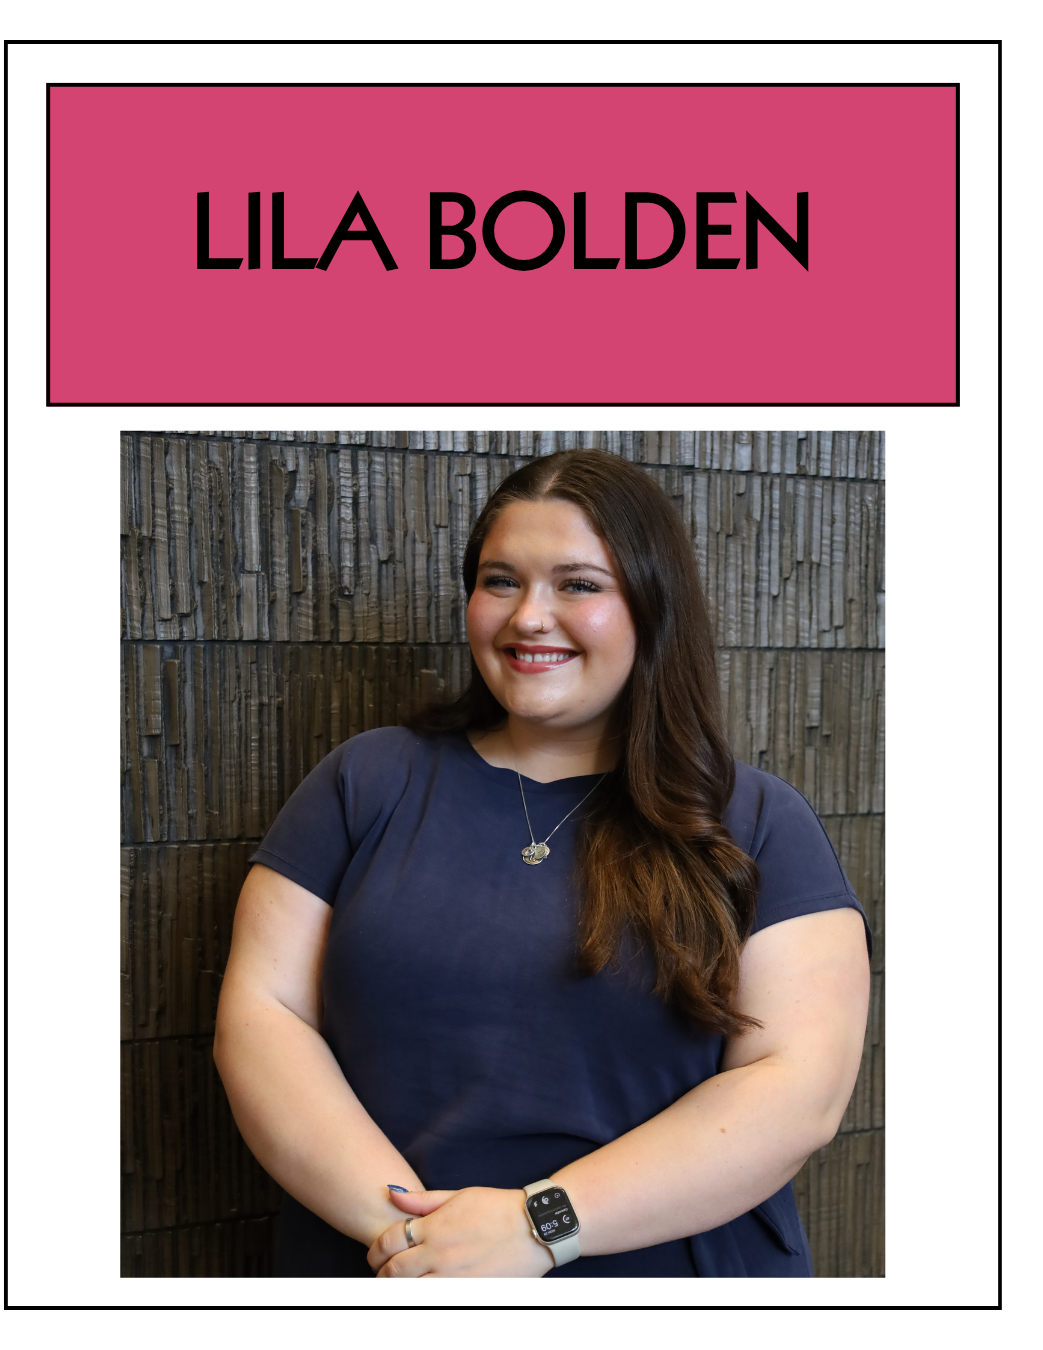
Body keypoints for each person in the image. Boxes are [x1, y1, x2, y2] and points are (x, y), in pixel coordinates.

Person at [213, 449, 872, 1278]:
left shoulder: (758, 820)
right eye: (500, 581)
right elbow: (263, 1015)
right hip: (383, 1275)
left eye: (578, 584)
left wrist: (538, 1228)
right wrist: (419, 1246)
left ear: (650, 605)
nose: (529, 615)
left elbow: (796, 1090)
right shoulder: (366, 780)